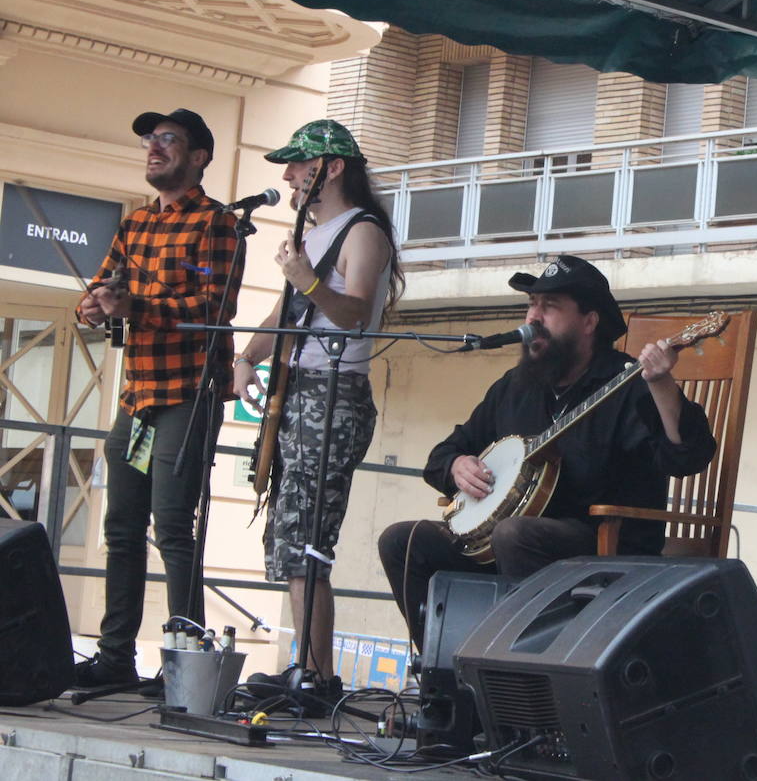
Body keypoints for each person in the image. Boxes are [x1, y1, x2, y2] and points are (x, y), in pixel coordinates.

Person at [377, 255, 717, 647]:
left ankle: (523, 678)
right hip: (508, 545)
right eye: (532, 304)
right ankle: (449, 678)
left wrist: (660, 385)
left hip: (602, 542)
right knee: (403, 541)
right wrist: (456, 466)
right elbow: (444, 452)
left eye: (550, 306)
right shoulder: (517, 386)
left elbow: (689, 457)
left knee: (514, 534)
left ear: (589, 322)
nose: (534, 316)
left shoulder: (626, 383)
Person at [231, 120, 402, 696]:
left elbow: (352, 314)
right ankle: (304, 668)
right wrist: (246, 357)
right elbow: (285, 313)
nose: (287, 177)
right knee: (288, 533)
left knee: (307, 537)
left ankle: (317, 676)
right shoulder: (312, 231)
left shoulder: (363, 232)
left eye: (298, 165)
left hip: (334, 394)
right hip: (298, 391)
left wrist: (306, 280)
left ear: (331, 167)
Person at [72, 108, 242, 688]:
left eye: (168, 139)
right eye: (149, 139)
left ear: (198, 157)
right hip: (137, 394)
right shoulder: (134, 223)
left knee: (172, 525)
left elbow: (212, 310)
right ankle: (116, 656)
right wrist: (94, 304)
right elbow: (101, 289)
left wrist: (136, 309)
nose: (153, 147)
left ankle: (182, 665)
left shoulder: (218, 224)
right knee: (121, 528)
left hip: (189, 392)